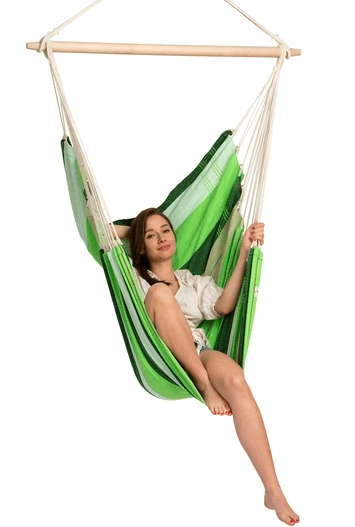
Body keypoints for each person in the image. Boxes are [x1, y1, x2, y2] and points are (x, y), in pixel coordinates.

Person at [114, 208, 300, 526]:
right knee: (160, 293)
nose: (161, 238)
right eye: (150, 235)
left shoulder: (191, 280)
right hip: (161, 357)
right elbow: (100, 231)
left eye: (166, 230)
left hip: (196, 351)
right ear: (140, 247)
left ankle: (273, 490)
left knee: (237, 381)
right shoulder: (135, 277)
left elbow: (224, 305)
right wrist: (134, 231)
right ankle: (203, 383)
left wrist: (244, 251)